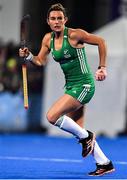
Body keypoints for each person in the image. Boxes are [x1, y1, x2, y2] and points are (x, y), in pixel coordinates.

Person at [19, 3, 115, 176]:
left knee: (52, 116)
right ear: (48, 21)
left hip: (84, 85)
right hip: (71, 86)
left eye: (60, 19)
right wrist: (29, 56)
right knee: (80, 131)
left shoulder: (74, 34)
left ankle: (87, 137)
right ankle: (105, 163)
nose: (57, 22)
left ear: (65, 20)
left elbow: (101, 41)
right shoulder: (47, 39)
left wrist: (102, 67)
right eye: (53, 19)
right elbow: (41, 61)